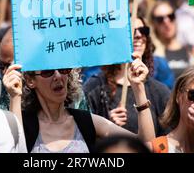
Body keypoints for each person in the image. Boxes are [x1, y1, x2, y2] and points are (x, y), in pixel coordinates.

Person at [14, 53, 156, 153]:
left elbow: (146, 145)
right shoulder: (23, 124)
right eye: (48, 72)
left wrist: (139, 88)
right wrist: (14, 96)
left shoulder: (86, 121)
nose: (58, 76)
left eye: (63, 69)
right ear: (31, 80)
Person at [84, 16, 170, 136]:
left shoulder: (160, 91)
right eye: (131, 31)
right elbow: (83, 137)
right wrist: (107, 127)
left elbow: (167, 140)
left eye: (143, 30)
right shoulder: (94, 87)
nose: (139, 35)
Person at [150, 0, 194, 78]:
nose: (166, 22)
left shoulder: (191, 50)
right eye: (160, 19)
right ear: (153, 23)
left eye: (171, 16)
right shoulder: (151, 53)